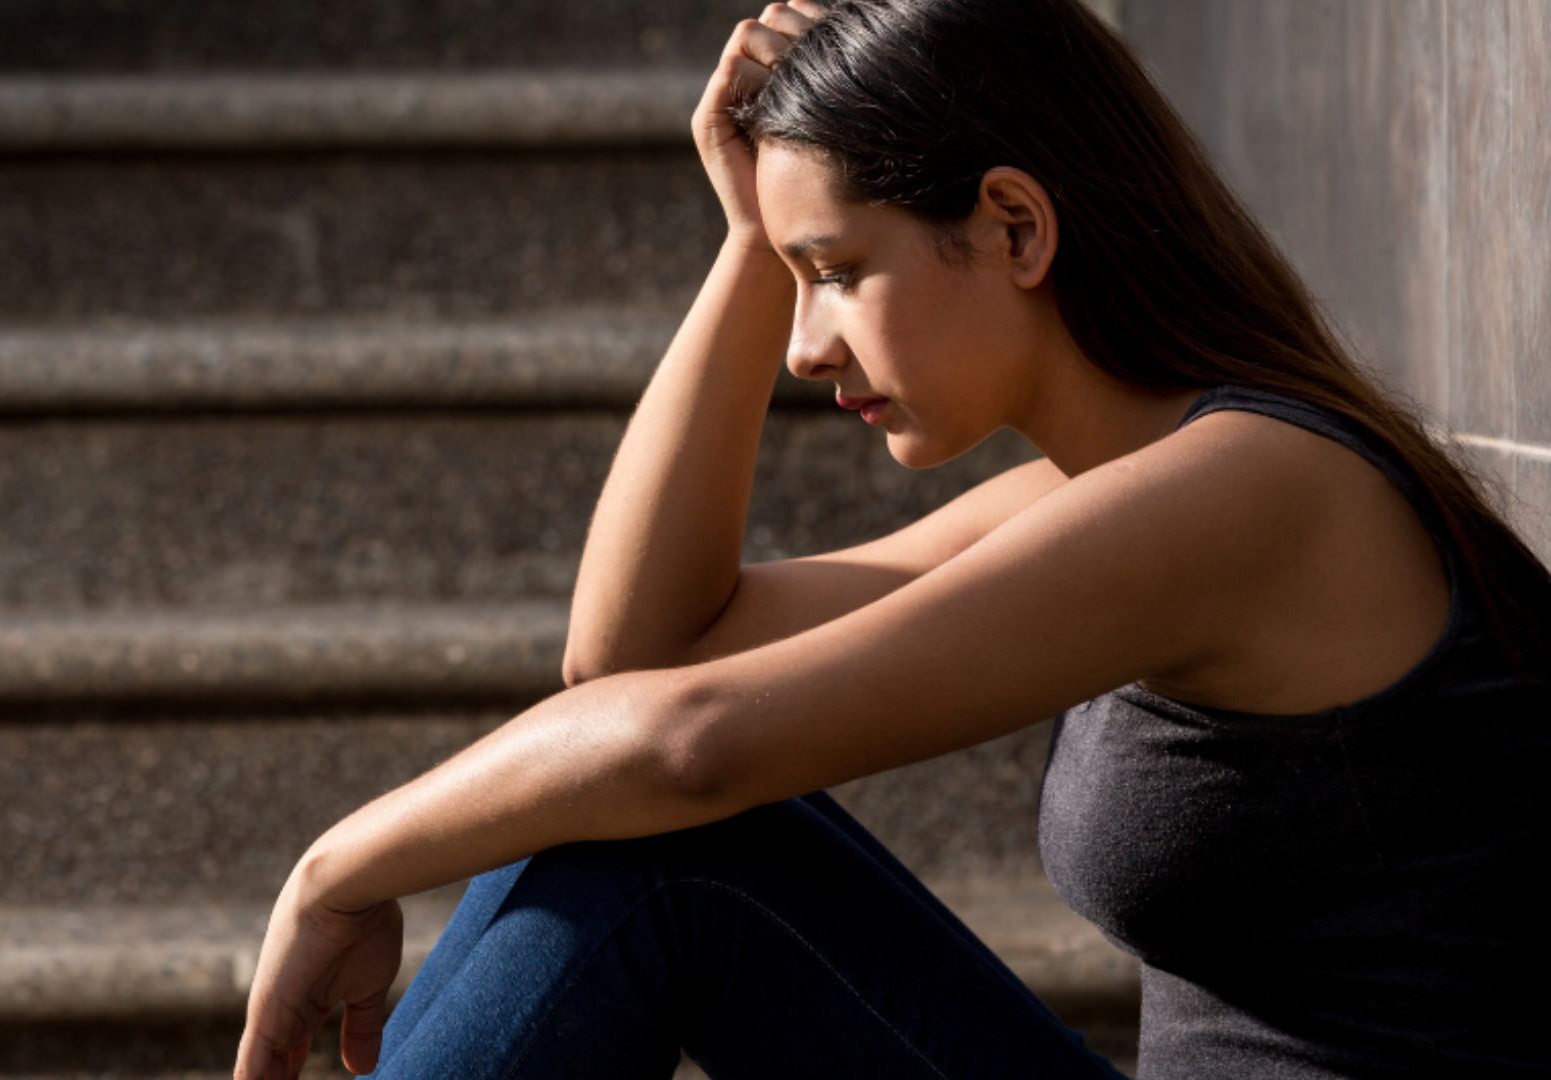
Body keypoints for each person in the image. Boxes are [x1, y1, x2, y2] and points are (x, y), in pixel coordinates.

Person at [232, 0, 1551, 1076]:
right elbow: (633, 658)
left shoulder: (1252, 493)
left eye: (842, 273)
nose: (809, 347)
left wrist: (338, 862)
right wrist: (755, 238)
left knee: (662, 841)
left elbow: (689, 743)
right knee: (599, 807)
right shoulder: (1125, 486)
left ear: (1016, 228)